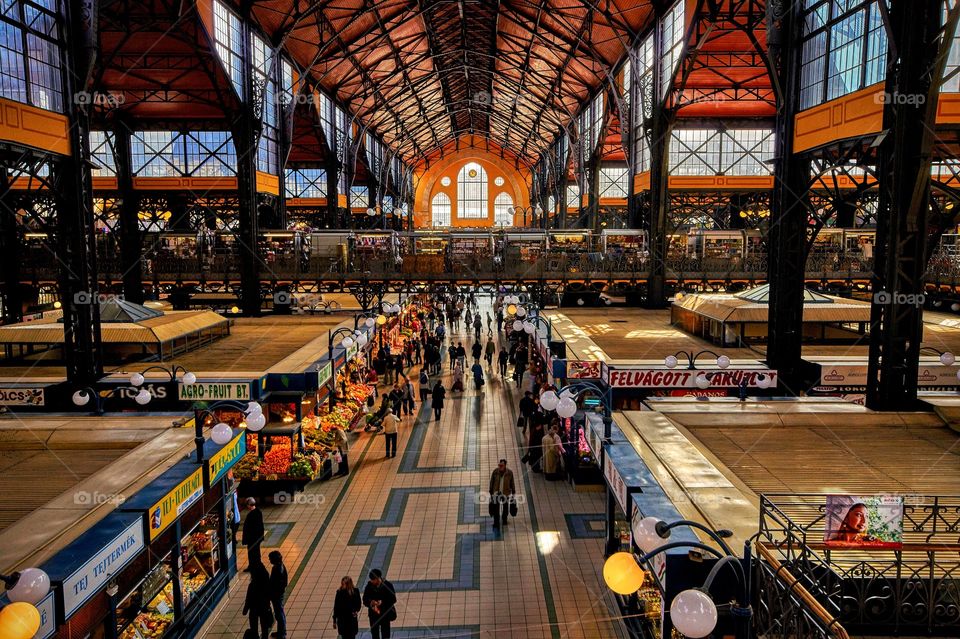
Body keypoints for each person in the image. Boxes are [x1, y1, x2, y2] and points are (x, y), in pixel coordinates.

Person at [363, 569, 397, 639]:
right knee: (375, 634)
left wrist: (382, 602)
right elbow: (365, 600)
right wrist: (371, 602)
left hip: (385, 614)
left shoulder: (388, 585)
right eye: (371, 579)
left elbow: (393, 599)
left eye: (373, 580)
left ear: (378, 578)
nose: (371, 581)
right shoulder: (369, 587)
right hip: (373, 615)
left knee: (386, 634)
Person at [242, 562, 273, 639]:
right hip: (264, 608)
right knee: (264, 628)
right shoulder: (266, 583)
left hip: (254, 609)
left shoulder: (252, 585)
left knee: (254, 628)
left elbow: (248, 599)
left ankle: (255, 637)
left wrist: (245, 609)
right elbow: (270, 595)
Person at [488, 459, 515, 529]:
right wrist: (491, 490)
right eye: (499, 465)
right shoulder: (495, 472)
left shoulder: (509, 473)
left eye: (502, 465)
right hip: (496, 493)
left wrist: (513, 491)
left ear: (505, 465)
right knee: (496, 508)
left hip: (505, 493)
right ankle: (496, 522)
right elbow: (492, 481)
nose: (500, 467)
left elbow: (512, 482)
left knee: (505, 508)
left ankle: (504, 519)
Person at [268, 551, 288, 639]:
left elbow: (274, 583)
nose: (269, 560)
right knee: (279, 613)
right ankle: (281, 631)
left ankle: (282, 633)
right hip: (278, 594)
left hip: (277, 595)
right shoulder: (280, 567)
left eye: (270, 559)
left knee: (279, 614)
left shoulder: (277, 569)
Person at [242, 497, 265, 569]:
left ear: (249, 505)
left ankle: (254, 565)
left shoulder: (251, 515)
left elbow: (249, 528)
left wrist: (246, 538)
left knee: (252, 553)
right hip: (257, 537)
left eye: (247, 505)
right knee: (256, 552)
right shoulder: (258, 512)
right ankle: (254, 565)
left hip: (252, 539)